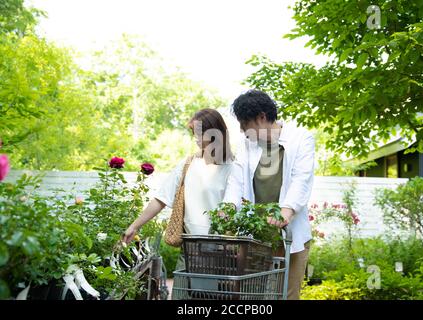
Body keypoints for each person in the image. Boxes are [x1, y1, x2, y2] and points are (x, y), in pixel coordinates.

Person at [222, 89, 315, 300]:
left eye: (245, 124)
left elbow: (302, 178)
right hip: (255, 236)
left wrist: (286, 211)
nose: (242, 130)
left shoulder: (301, 138)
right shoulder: (247, 144)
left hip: (291, 234)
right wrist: (227, 209)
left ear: (261, 117)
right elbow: (236, 182)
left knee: (287, 295)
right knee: (250, 293)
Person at [122, 108, 234, 268]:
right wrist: (134, 226)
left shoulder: (232, 167)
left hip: (223, 252)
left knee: (217, 294)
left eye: (200, 133)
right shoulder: (188, 165)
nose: (196, 139)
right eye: (194, 133)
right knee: (182, 293)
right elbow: (161, 199)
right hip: (189, 251)